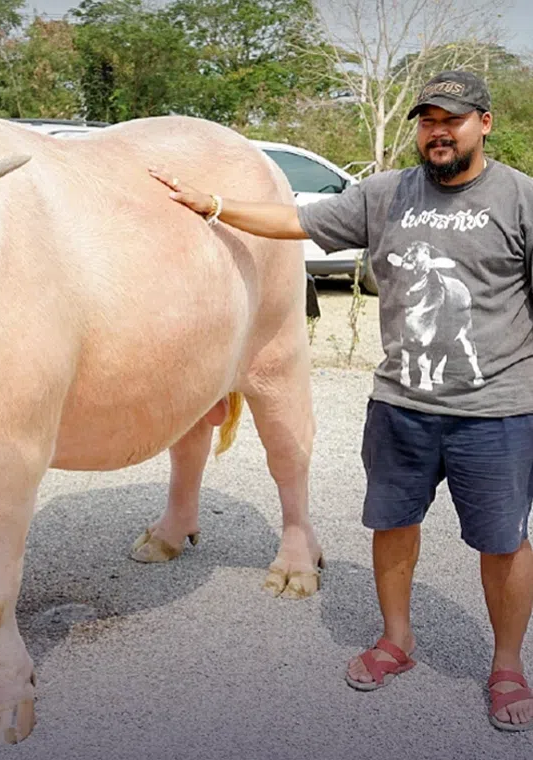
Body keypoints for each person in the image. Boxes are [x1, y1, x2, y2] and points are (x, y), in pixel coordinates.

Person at [150, 70, 533, 731]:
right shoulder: (386, 194)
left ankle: (506, 666)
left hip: (496, 411)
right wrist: (212, 204)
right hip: (401, 405)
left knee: (502, 543)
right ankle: (396, 640)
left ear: (484, 124)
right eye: (428, 120)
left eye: (453, 119)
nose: (438, 132)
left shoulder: (521, 199)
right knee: (393, 526)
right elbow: (294, 221)